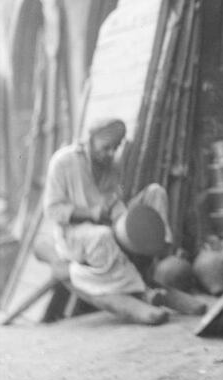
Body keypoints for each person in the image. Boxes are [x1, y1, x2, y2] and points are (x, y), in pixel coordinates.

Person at [42, 117, 177, 324]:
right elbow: (52, 210)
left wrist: (125, 220)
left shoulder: (111, 164)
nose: (112, 154)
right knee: (102, 235)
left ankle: (157, 249)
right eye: (106, 148)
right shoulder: (63, 162)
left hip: (106, 227)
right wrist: (90, 213)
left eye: (116, 147)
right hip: (73, 233)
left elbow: (114, 201)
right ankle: (140, 291)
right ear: (90, 139)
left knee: (155, 192)